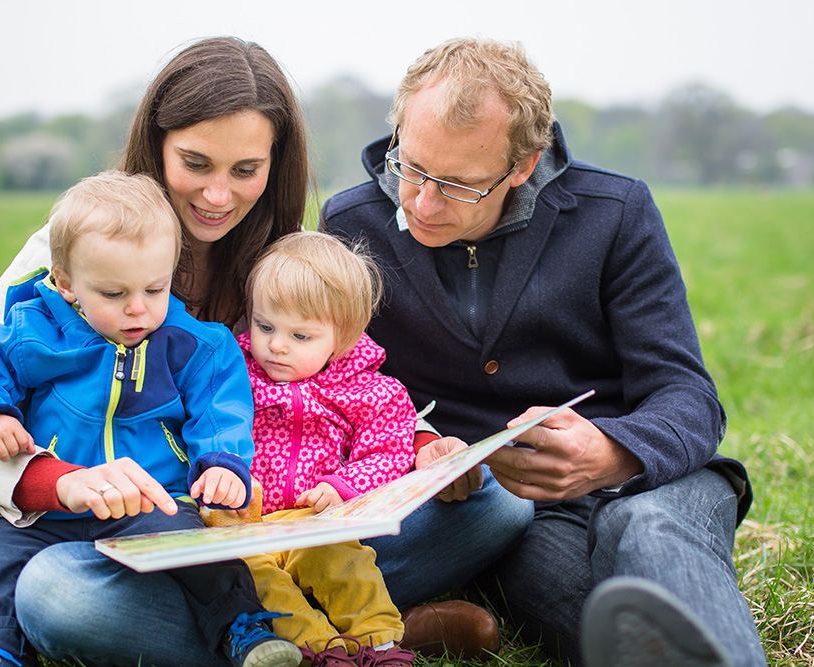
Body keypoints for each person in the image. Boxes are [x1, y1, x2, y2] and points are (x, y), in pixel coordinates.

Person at [0, 36, 531, 667]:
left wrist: (421, 446)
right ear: (155, 146)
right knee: (56, 594)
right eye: (196, 164)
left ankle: (318, 628)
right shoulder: (76, 249)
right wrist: (70, 484)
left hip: (288, 522)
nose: (218, 196)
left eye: (245, 171)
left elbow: (339, 374)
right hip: (138, 533)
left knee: (497, 504)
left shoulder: (289, 252)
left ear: (276, 165)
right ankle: (335, 639)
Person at [320, 37, 767, 666]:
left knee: (646, 531)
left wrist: (613, 453)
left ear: (523, 164)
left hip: (655, 481)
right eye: (412, 168)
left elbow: (688, 394)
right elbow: (338, 392)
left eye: (457, 185)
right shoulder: (349, 226)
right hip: (517, 516)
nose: (421, 202)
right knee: (574, 604)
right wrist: (420, 449)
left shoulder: (616, 212)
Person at [0, 171, 302, 667]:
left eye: (154, 290)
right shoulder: (31, 330)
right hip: (56, 511)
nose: (138, 309)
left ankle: (242, 626)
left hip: (151, 501)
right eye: (113, 295)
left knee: (195, 546)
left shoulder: (192, 344)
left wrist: (221, 464)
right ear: (67, 283)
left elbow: (220, 408)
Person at [216, 231, 427, 666]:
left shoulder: (368, 390)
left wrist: (343, 485)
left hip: (318, 519)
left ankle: (380, 643)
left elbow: (389, 451)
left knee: (345, 563)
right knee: (257, 580)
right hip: (246, 522)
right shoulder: (234, 375)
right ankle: (317, 651)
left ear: (343, 337)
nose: (276, 345)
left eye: (300, 335)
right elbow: (210, 428)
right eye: (265, 326)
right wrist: (228, 477)